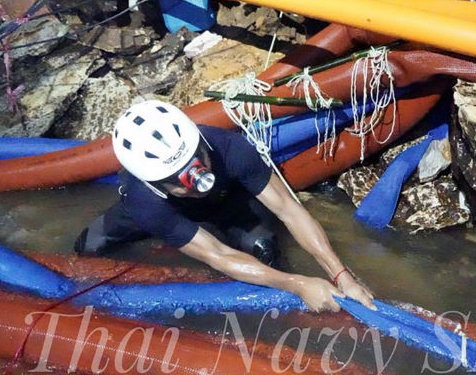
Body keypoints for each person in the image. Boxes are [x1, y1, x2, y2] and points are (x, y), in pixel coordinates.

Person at [75, 100, 375, 313]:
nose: (194, 182)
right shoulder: (145, 201)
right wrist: (299, 284)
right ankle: (173, 235)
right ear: (154, 182)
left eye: (198, 163)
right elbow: (217, 255)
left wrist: (340, 276)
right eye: (178, 180)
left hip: (225, 201)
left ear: (201, 145)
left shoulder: (229, 148)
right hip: (160, 213)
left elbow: (289, 209)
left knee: (265, 250)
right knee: (87, 248)